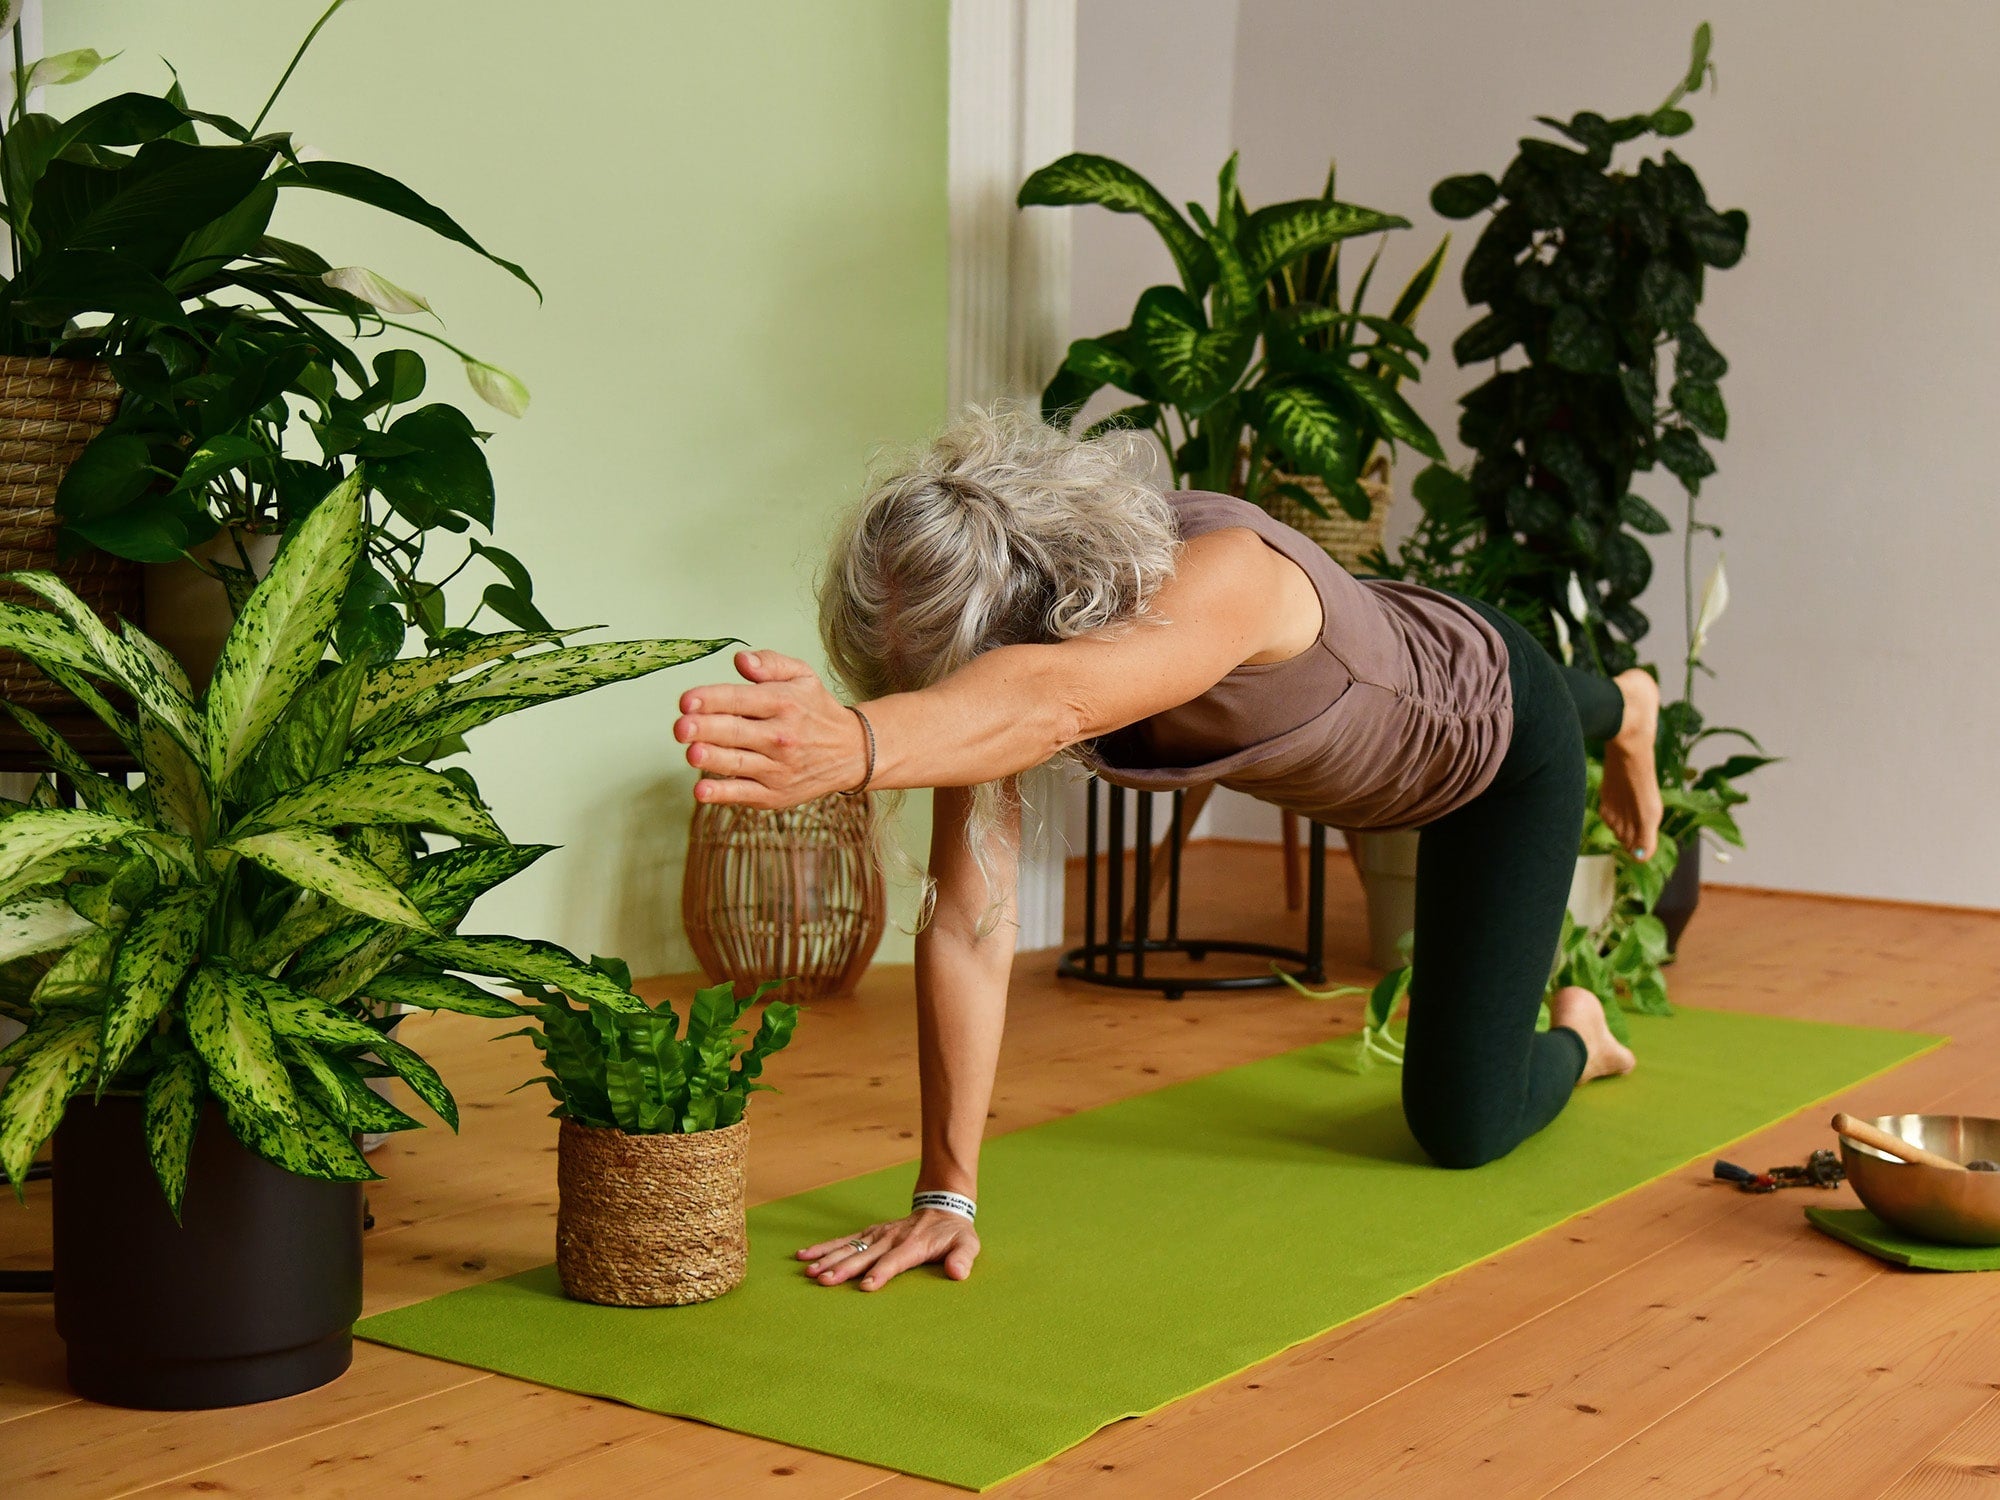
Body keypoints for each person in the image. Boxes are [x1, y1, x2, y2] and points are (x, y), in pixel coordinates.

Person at [674, 409, 1662, 1294]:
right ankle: (1624, 704)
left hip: (1490, 753)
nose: (943, 710)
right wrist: (947, 1195)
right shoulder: (1000, 683)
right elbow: (970, 923)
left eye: (948, 686)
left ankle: (1585, 1022)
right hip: (1393, 681)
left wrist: (859, 743)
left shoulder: (1224, 574)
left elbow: (1055, 697)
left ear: (1031, 609)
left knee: (1462, 1129)